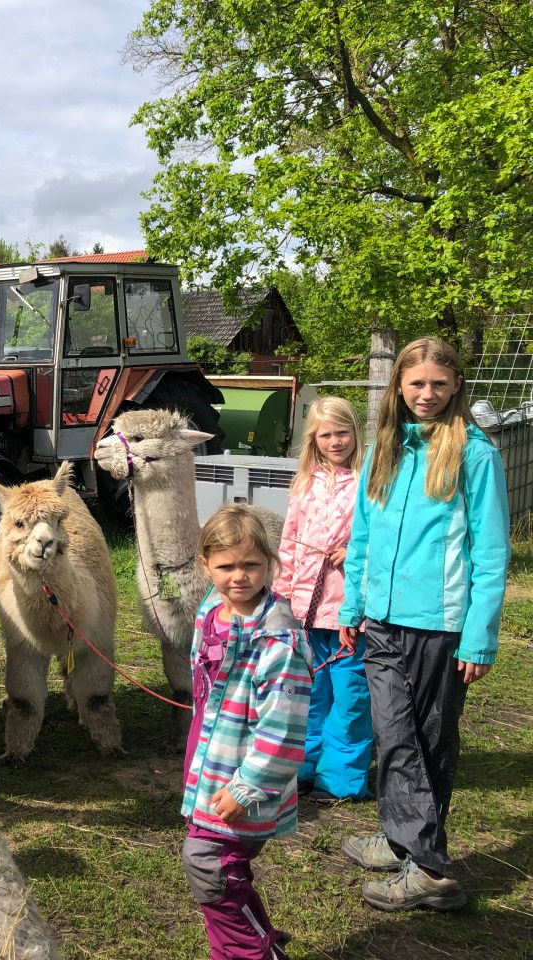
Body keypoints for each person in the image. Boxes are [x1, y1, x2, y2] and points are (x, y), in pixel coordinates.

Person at [338, 336, 510, 912]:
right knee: (395, 734)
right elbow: (361, 535)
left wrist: (479, 636)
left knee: (427, 739)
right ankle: (409, 846)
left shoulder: (475, 454)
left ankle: (426, 867)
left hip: (442, 627)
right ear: (399, 386)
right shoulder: (385, 448)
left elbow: (490, 553)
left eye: (439, 383)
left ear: (457, 385)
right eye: (416, 384)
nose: (427, 394)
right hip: (382, 620)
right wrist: (352, 606)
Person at [182, 505, 311, 960]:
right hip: (211, 765)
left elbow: (284, 729)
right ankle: (257, 939)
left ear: (269, 565)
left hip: (244, 780)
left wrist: (247, 786)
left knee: (210, 866)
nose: (239, 576)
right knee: (226, 870)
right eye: (226, 566)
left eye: (251, 564)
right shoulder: (212, 612)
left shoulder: (278, 642)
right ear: (205, 565)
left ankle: (251, 953)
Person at [277, 396, 372, 802]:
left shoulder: (370, 481)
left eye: (342, 432)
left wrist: (354, 554)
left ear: (355, 432)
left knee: (350, 695)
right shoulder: (306, 483)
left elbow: (381, 539)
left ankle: (341, 779)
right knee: (311, 694)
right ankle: (305, 768)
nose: (335, 441)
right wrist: (283, 594)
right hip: (306, 608)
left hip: (351, 611)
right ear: (314, 439)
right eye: (326, 434)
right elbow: (289, 542)